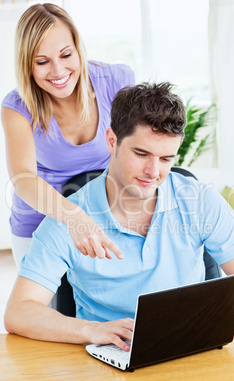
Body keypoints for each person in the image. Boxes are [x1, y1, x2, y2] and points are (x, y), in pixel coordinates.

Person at [4, 82, 234, 351]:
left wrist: (204, 317)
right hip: (111, 358)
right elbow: (19, 312)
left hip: (189, 347)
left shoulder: (200, 201)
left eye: (166, 159)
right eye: (141, 154)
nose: (153, 172)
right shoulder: (71, 220)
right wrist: (92, 330)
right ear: (111, 141)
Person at [1, 3, 135, 268]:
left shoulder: (117, 80)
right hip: (40, 225)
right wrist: (75, 216)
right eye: (42, 62)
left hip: (105, 217)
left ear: (78, 48)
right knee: (53, 309)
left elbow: (137, 148)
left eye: (65, 55)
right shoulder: (16, 108)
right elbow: (24, 179)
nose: (58, 71)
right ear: (27, 65)